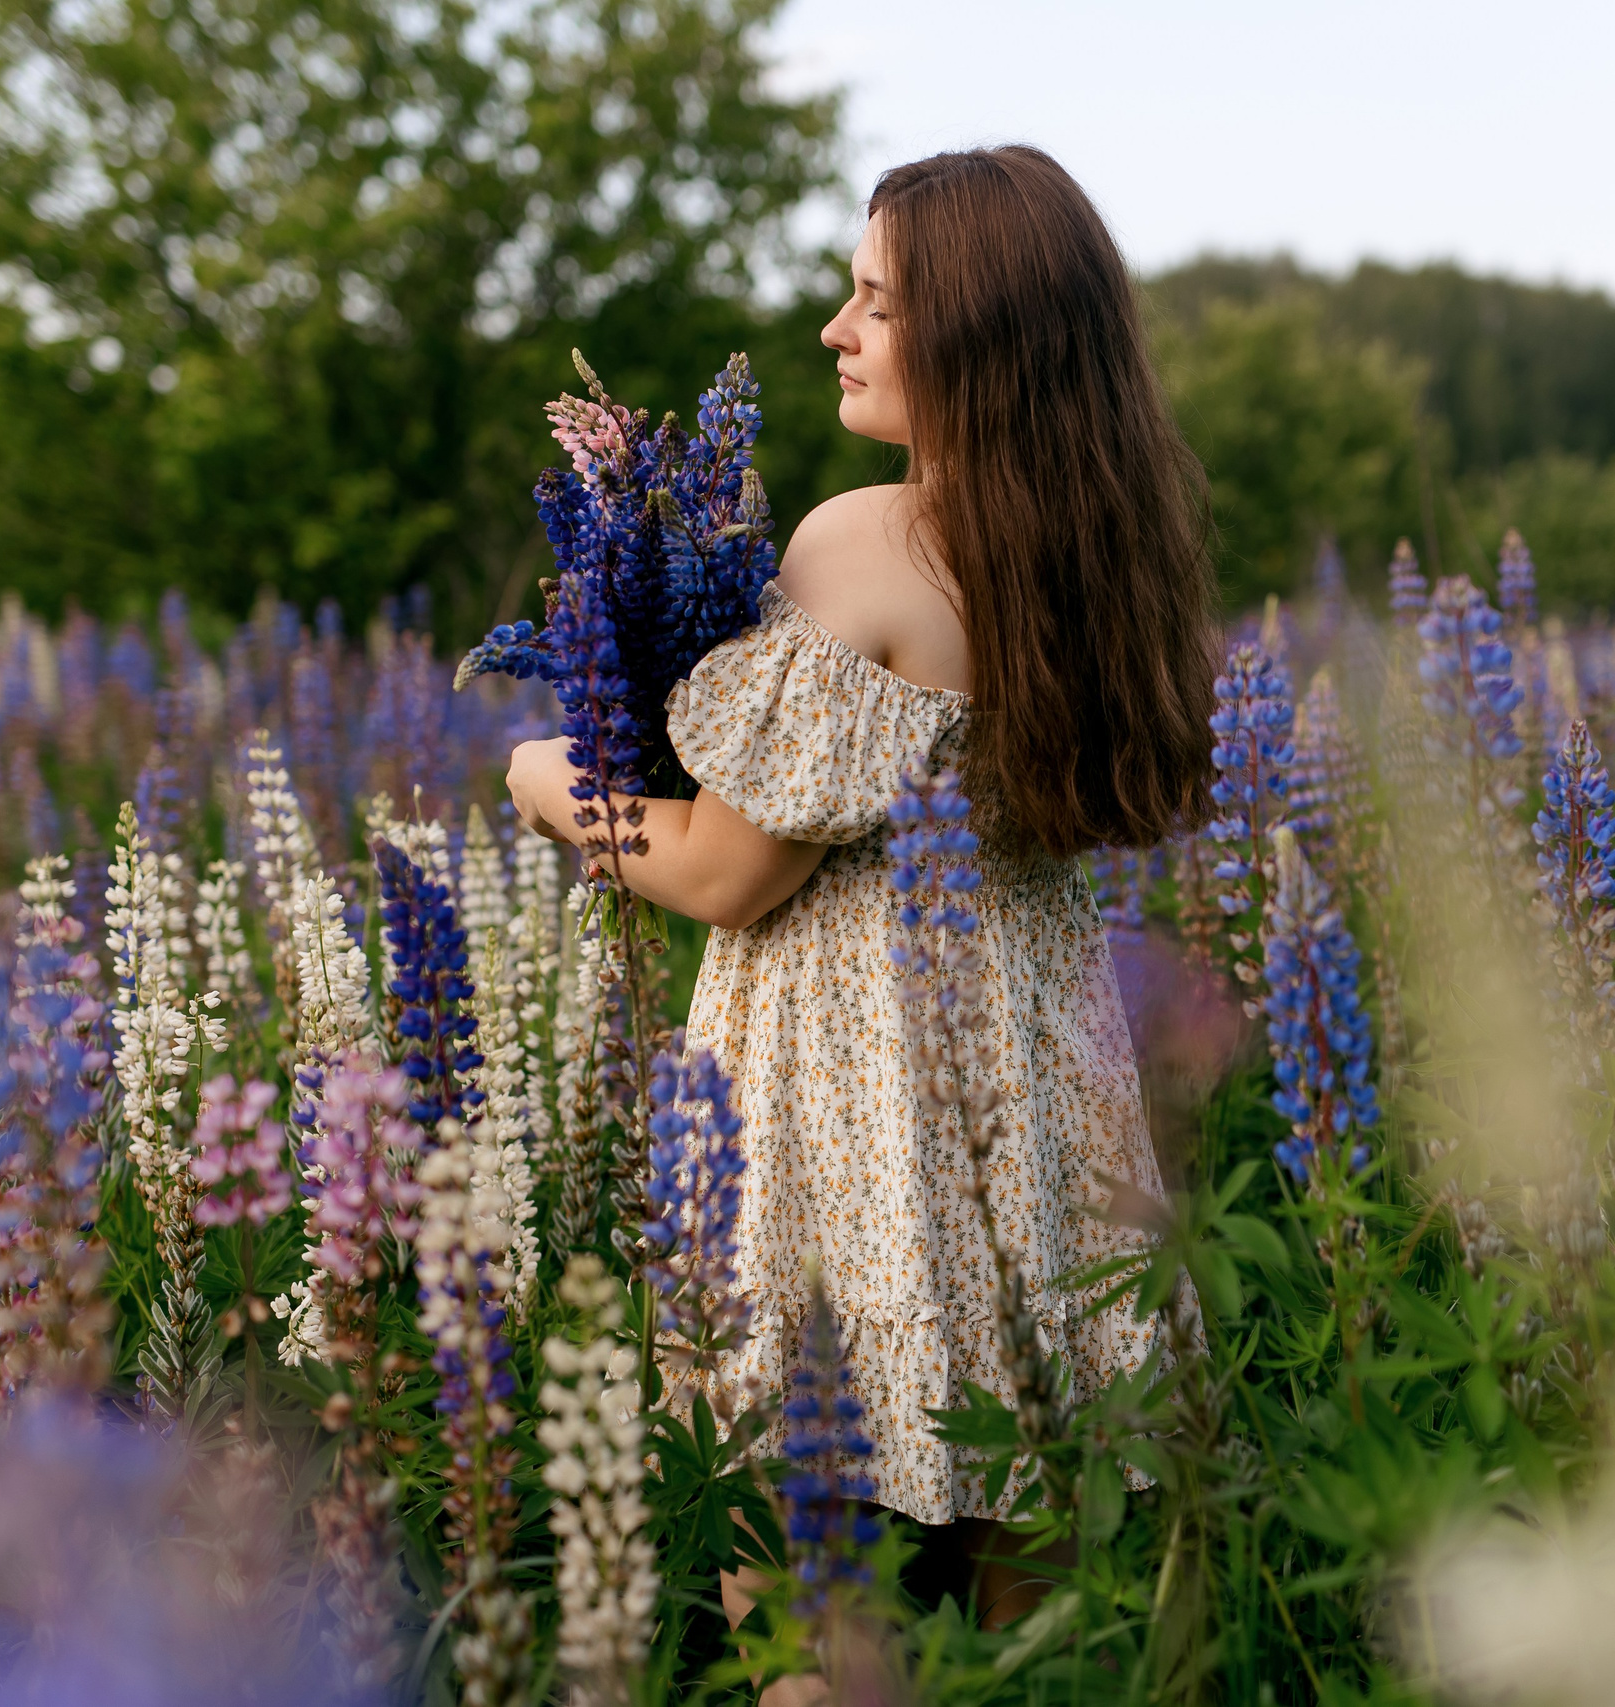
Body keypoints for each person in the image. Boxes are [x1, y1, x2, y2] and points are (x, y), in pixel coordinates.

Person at [506, 144, 1214, 1672]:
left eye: (875, 301)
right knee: (1046, 1618)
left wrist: (546, 776)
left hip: (852, 1109)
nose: (835, 327)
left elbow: (722, 870)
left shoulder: (864, 542)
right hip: (1036, 1104)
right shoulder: (1105, 550)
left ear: (975, 335)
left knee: (808, 1620)